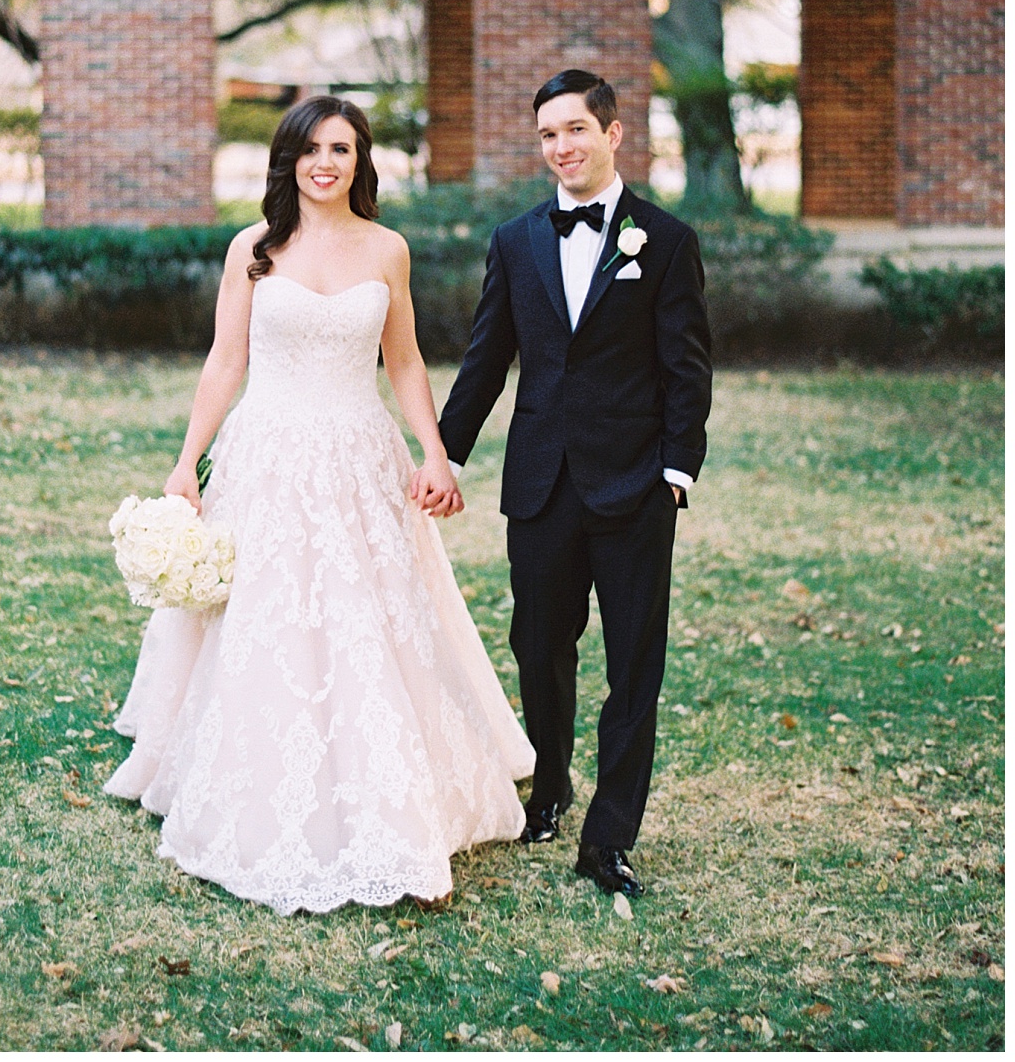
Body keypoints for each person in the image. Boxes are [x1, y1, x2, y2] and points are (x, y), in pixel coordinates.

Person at [104, 95, 534, 915]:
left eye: (341, 147)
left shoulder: (387, 249)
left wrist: (434, 452)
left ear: (360, 160)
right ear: (288, 159)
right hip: (266, 454)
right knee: (266, 619)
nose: (325, 162)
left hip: (360, 456)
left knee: (367, 622)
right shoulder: (253, 250)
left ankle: (387, 792)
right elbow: (225, 361)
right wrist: (186, 462)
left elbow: (404, 363)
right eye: (311, 148)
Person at [438, 69, 712, 899]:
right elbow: (488, 357)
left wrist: (674, 471)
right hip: (543, 485)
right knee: (539, 645)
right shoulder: (516, 241)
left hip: (635, 488)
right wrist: (446, 455)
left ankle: (609, 837)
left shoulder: (663, 240)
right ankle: (549, 789)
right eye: (548, 134)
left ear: (613, 133)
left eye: (576, 130)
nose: (562, 147)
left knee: (634, 664)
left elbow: (686, 368)